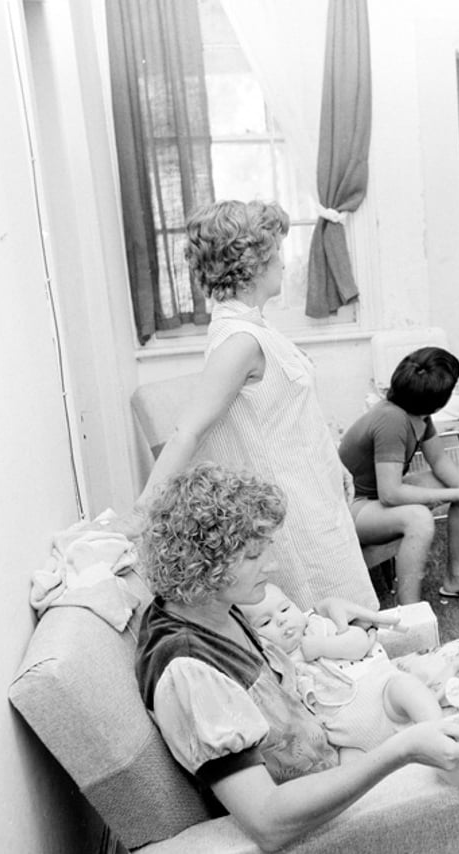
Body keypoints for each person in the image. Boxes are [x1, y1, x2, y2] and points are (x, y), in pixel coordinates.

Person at [136, 462, 459, 854]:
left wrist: (325, 614)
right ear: (208, 562)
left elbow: (282, 655)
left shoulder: (207, 607)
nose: (268, 564)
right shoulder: (189, 671)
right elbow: (268, 821)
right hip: (345, 764)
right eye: (251, 556)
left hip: (338, 706)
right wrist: (402, 750)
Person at [122, 199, 377, 611]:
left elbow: (290, 416)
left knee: (345, 616)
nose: (283, 261)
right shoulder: (238, 340)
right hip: (295, 513)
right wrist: (143, 511)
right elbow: (189, 431)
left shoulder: (257, 326)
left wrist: (335, 463)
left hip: (315, 493)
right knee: (330, 619)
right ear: (252, 265)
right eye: (276, 251)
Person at [339, 346, 459, 603]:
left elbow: (440, 460)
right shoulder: (392, 420)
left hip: (375, 496)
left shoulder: (417, 412)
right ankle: (409, 609)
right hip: (350, 507)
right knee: (418, 518)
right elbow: (391, 494)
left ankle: (456, 577)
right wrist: (456, 493)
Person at [239, 583, 441, 756]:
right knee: (351, 768)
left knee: (406, 687)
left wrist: (322, 646)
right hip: (347, 736)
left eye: (285, 609)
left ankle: (439, 732)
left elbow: (360, 642)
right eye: (265, 622)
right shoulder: (278, 664)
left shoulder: (318, 626)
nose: (281, 620)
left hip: (382, 695)